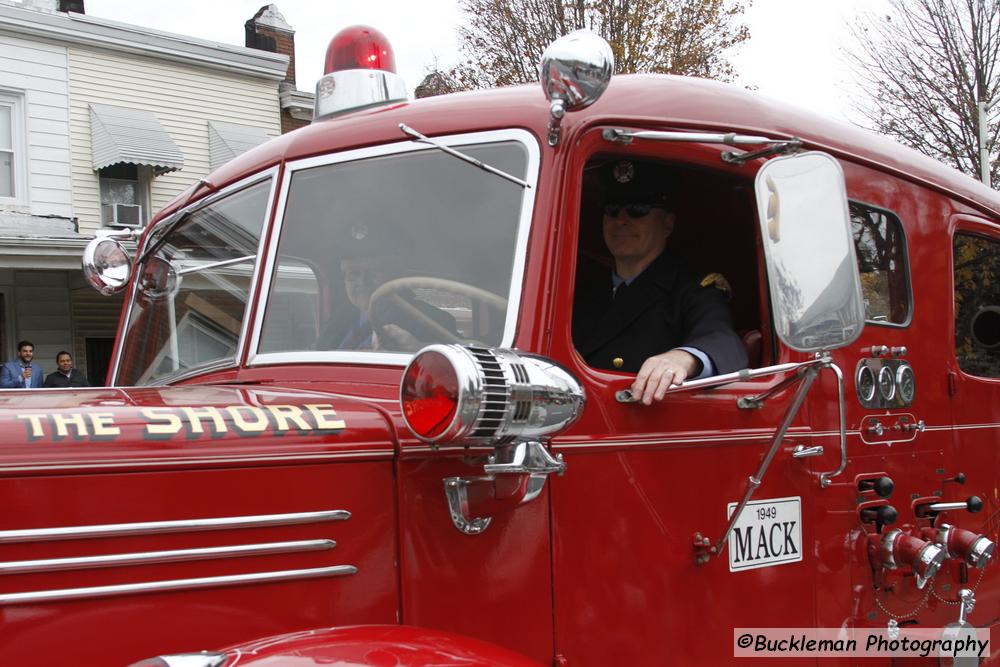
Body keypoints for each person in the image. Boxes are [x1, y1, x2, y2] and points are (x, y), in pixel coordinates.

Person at [572, 160, 748, 405]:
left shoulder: (694, 288)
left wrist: (682, 359)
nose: (621, 220)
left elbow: (723, 341)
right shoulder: (583, 291)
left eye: (637, 209)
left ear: (667, 224)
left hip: (639, 422)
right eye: (612, 209)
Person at [316, 253, 458, 351]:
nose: (362, 281)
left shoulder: (434, 321)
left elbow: (467, 360)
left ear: (394, 276)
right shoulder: (337, 323)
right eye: (353, 273)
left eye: (374, 272)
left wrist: (419, 349)